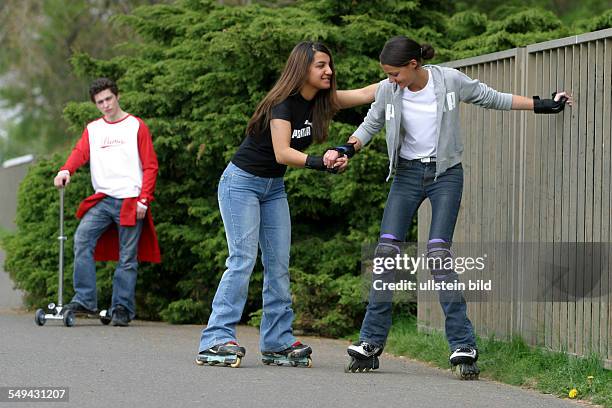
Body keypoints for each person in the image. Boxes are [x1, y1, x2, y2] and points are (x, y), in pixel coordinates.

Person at [324, 36, 572, 377]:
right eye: (387, 74)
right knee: (385, 254)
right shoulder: (388, 91)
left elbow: (491, 97)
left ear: (414, 65)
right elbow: (370, 124)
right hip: (407, 176)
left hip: (445, 174)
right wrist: (347, 149)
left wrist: (542, 104)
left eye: (395, 73)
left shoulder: (449, 81)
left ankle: (462, 343)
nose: (390, 80)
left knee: (439, 255)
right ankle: (370, 342)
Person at [196, 41, 377, 368]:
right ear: (302, 68)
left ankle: (277, 341)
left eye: (329, 65)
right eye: (321, 65)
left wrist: (410, 75)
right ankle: (216, 339)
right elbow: (282, 153)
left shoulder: (322, 100)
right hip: (241, 184)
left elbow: (367, 93)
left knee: (279, 263)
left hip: (273, 188)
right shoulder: (282, 104)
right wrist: (320, 161)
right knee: (242, 259)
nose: (329, 71)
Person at [53, 77, 161, 327]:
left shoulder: (136, 126)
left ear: (117, 96)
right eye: (100, 102)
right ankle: (85, 300)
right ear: (95, 104)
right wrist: (66, 170)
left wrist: (144, 199)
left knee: (127, 257)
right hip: (102, 199)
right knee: (82, 239)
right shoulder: (94, 129)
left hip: (130, 200)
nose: (106, 105)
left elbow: (150, 166)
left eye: (109, 99)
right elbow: (80, 153)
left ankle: (122, 308)